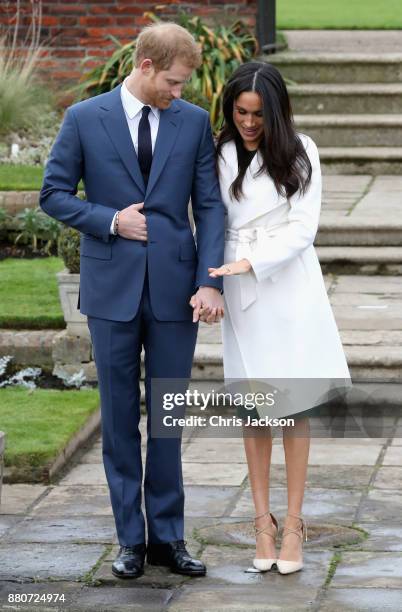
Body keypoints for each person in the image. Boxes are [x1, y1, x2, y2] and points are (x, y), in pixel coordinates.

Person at [40, 23, 225, 579]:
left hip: (174, 293)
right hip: (111, 292)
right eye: (172, 81)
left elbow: (210, 206)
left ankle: (168, 538)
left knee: (167, 418)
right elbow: (52, 193)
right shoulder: (83, 119)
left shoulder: (191, 123)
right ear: (145, 66)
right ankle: (129, 541)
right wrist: (110, 221)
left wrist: (210, 280)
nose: (180, 91)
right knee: (120, 422)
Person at [209, 61, 351, 575]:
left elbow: (303, 228)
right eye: (240, 113)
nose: (249, 123)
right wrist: (216, 278)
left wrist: (253, 261)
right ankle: (260, 522)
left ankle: (293, 523)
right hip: (238, 289)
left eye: (259, 115)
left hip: (288, 285)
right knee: (253, 408)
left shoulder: (301, 151)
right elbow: (206, 215)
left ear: (277, 113)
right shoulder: (219, 153)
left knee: (292, 406)